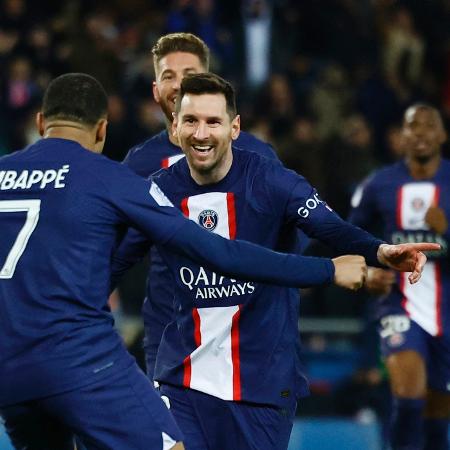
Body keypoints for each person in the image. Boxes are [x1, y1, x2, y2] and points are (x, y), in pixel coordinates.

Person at [0, 73, 372, 450]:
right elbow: (221, 252)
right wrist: (327, 269)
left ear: (40, 122)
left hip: (9, 369)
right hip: (81, 361)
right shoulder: (112, 179)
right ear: (101, 130)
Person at [112, 73, 438, 450]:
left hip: (262, 386)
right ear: (174, 125)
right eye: (191, 121)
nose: (201, 133)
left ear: (235, 127)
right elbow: (115, 262)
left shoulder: (271, 181)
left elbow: (328, 227)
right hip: (181, 380)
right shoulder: (157, 193)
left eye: (213, 122)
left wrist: (379, 251)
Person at [123, 32, 279, 378]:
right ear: (155, 91)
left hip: (249, 338)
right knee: (176, 434)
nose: (179, 84)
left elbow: (290, 233)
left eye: (189, 73)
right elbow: (114, 244)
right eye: (168, 76)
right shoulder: (139, 163)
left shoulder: (257, 155)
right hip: (170, 337)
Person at [349, 103, 450, 450]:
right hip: (398, 304)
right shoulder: (379, 184)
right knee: (408, 399)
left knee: (438, 419)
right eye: (412, 125)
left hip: (446, 311)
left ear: (442, 135)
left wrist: (446, 233)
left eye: (428, 125)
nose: (420, 132)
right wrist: (367, 271)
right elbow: (347, 236)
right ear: (401, 136)